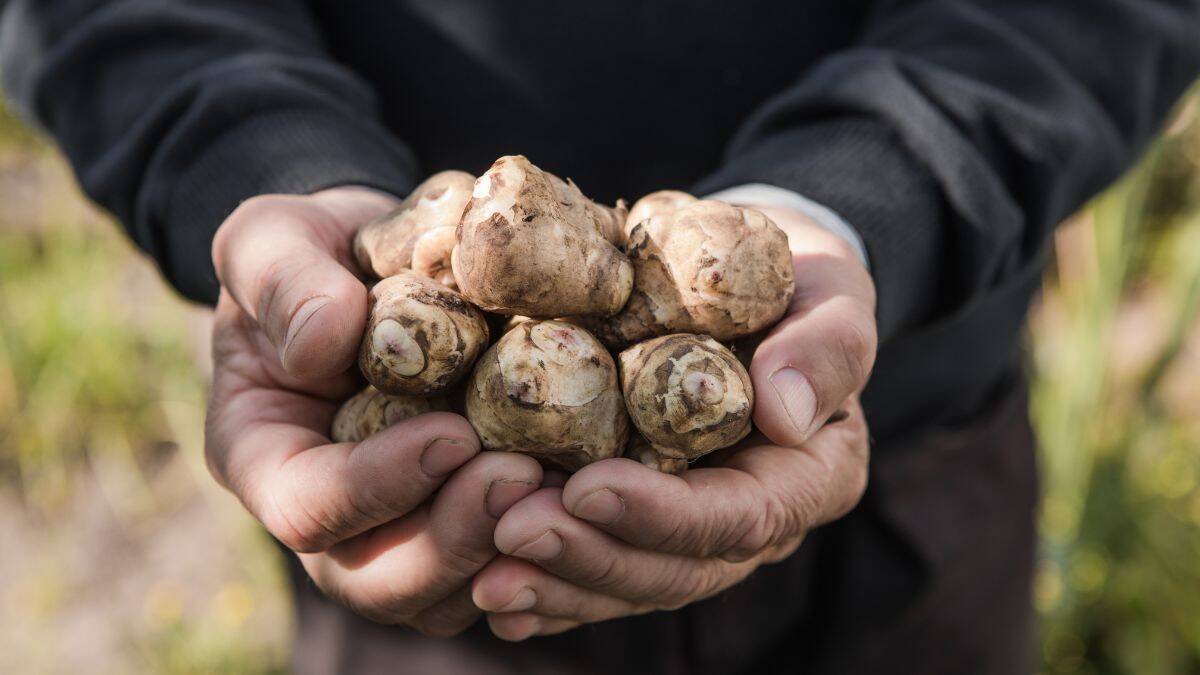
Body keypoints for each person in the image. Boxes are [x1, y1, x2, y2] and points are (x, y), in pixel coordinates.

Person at [4, 2, 1198, 673]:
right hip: (428, 540)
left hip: (903, 473)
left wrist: (877, 188)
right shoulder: (432, 310)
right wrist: (258, 168)